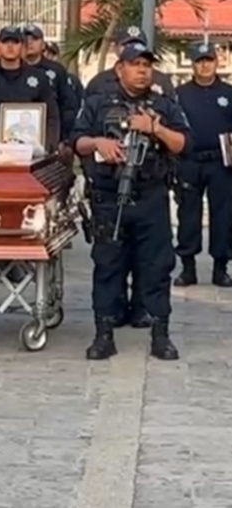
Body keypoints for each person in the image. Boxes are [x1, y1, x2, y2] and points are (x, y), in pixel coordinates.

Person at [73, 42, 189, 361]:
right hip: (110, 197)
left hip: (151, 197)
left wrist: (154, 127)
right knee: (108, 265)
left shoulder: (164, 104)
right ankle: (103, 334)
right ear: (119, 69)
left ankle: (160, 334)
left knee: (157, 266)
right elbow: (77, 141)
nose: (142, 70)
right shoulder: (97, 102)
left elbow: (181, 143)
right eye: (135, 64)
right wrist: (99, 142)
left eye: (146, 65)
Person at [173, 42, 232, 287]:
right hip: (190, 161)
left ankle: (221, 267)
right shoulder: (180, 94)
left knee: (224, 216)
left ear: (217, 62)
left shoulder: (228, 93)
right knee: (188, 214)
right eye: (199, 61)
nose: (204, 65)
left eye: (208, 60)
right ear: (192, 64)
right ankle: (188, 267)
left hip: (221, 163)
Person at [0, 25, 60, 153]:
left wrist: (48, 146)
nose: (10, 46)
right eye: (5, 42)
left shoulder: (39, 78)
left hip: (29, 149)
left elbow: (51, 115)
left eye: (15, 42)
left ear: (22, 46)